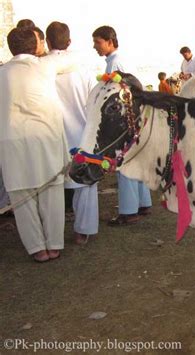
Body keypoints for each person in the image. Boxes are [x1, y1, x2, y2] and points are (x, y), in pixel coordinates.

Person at [0, 28, 76, 261]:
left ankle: (37, 249)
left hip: (11, 142)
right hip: (44, 139)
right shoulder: (44, 65)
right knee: (51, 191)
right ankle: (54, 244)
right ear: (35, 46)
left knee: (22, 197)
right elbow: (70, 58)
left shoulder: (3, 72)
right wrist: (44, 52)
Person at [92, 25, 153, 226]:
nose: (95, 47)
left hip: (124, 120)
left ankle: (129, 211)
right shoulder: (116, 61)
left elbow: (118, 95)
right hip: (131, 118)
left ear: (110, 41)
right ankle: (143, 203)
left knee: (124, 164)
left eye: (98, 42)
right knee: (134, 161)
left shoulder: (116, 63)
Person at [46, 22, 99, 245]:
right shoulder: (83, 69)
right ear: (69, 42)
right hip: (82, 133)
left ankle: (52, 234)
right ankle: (82, 231)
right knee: (85, 186)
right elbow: (93, 103)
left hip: (52, 135)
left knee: (52, 187)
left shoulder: (43, 69)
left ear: (47, 42)